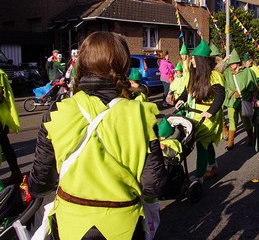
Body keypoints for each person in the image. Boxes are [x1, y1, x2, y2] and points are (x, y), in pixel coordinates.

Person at [28, 31, 168, 239]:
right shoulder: (140, 113)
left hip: (70, 225)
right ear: (124, 66)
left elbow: (40, 182)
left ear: (82, 64)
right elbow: (153, 185)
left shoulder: (58, 110)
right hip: (123, 224)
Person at [175, 39, 225, 182]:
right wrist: (181, 99)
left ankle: (199, 176)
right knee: (206, 142)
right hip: (195, 112)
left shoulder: (214, 76)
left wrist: (210, 112)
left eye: (195, 60)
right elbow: (187, 90)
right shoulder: (193, 74)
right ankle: (213, 165)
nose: (192, 62)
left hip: (209, 115)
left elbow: (220, 96)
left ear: (202, 61)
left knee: (201, 144)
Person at [223, 48, 259, 150]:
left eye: (232, 63)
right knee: (232, 119)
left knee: (245, 120)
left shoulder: (247, 71)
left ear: (237, 63)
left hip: (244, 99)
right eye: (230, 64)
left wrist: (252, 98)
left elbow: (253, 86)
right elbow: (218, 71)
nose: (231, 66)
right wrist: (225, 60)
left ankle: (251, 138)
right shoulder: (227, 72)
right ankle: (230, 142)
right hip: (232, 99)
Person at [0, 69, 22, 186]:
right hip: (2, 117)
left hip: (1, 117)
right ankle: (16, 172)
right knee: (5, 145)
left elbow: (1, 96)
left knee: (5, 146)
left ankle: (15, 173)